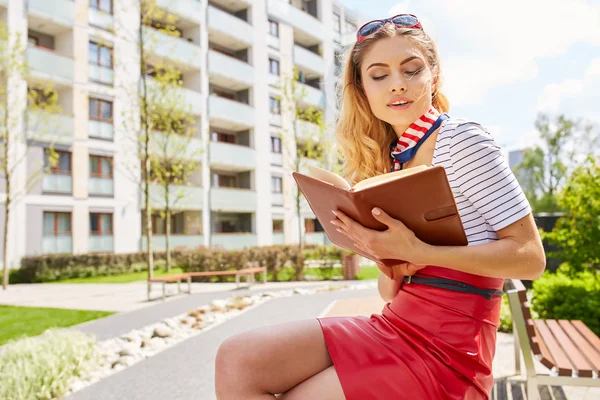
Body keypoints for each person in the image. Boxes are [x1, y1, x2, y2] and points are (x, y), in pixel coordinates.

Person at [214, 14, 546, 400]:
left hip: (449, 348)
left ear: (433, 76)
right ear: (362, 90)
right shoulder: (392, 163)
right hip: (396, 322)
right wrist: (384, 255)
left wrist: (420, 251)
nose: (398, 84)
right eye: (379, 75)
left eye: (411, 69)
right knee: (237, 357)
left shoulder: (461, 141)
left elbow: (530, 257)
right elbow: (389, 292)